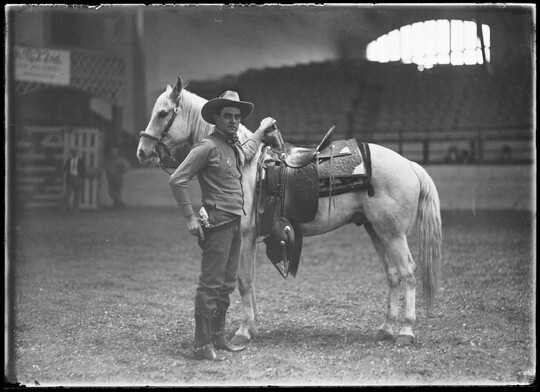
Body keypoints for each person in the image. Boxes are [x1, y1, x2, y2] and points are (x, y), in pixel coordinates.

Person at [169, 91, 276, 361]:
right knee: (211, 284)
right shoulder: (206, 147)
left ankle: (218, 336)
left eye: (237, 117)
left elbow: (249, 151)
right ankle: (202, 343)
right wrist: (189, 217)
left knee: (227, 283)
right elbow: (177, 180)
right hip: (216, 224)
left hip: (235, 223)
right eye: (227, 116)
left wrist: (261, 131)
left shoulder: (232, 147)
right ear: (216, 118)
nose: (233, 121)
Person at [63, 148, 85, 213]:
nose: (74, 154)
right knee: (67, 194)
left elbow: (83, 170)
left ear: (77, 153)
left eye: (75, 153)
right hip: (70, 178)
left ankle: (75, 209)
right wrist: (67, 174)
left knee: (77, 194)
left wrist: (81, 178)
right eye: (73, 153)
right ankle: (65, 208)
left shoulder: (81, 161)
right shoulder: (69, 160)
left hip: (77, 177)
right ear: (71, 154)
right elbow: (65, 168)